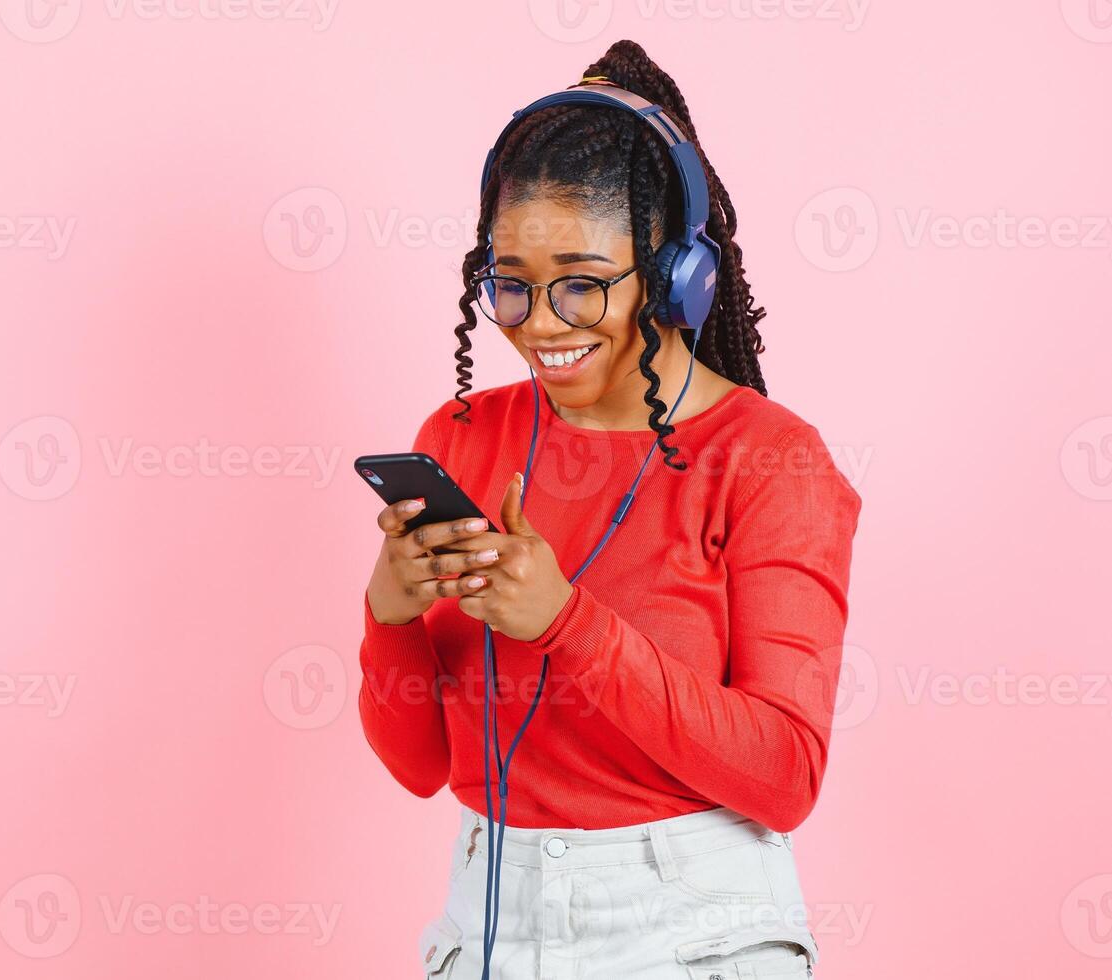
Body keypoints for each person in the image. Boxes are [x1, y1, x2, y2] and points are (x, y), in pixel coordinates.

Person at [358, 39, 862, 979]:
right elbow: (422, 766)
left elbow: (784, 776)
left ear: (677, 275)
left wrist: (566, 624)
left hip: (694, 928)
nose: (540, 323)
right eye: (509, 282)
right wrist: (388, 613)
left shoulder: (768, 460)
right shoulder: (462, 435)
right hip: (487, 917)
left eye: (582, 282)